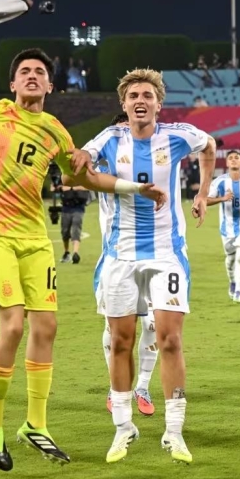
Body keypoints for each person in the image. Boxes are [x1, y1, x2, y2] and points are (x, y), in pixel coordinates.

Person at [0, 22, 164, 471]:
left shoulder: (54, 131)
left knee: (46, 328)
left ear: (50, 85)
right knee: (12, 326)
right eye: (24, 71)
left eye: (39, 72)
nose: (32, 75)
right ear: (12, 84)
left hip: (34, 238)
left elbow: (83, 176)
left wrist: (133, 187)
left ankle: (36, 425)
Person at [79, 68, 215, 465]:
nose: (140, 101)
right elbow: (83, 159)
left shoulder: (177, 135)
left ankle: (174, 432)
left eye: (147, 95)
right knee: (120, 341)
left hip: (165, 254)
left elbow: (209, 146)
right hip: (119, 257)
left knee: (170, 339)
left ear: (159, 103)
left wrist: (203, 192)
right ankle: (124, 427)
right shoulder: (110, 138)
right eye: (134, 95)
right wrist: (80, 159)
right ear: (123, 105)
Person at [98, 115, 159, 420]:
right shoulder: (104, 170)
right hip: (115, 259)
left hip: (154, 258)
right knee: (114, 329)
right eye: (121, 132)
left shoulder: (155, 167)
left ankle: (143, 387)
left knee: (152, 325)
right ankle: (115, 387)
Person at [207, 151, 240, 302]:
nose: (234, 160)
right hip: (227, 227)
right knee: (231, 259)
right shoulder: (220, 182)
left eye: (236, 158)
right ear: (227, 163)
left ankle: (239, 292)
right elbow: (206, 200)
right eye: (230, 158)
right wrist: (222, 198)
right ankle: (232, 282)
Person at [55, 177, 88, 264]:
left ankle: (75, 253)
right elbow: (59, 187)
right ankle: (66, 252)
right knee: (65, 231)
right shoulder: (64, 176)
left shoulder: (82, 176)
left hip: (78, 208)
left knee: (76, 229)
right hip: (66, 208)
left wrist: (71, 188)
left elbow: (87, 187)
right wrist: (70, 188)